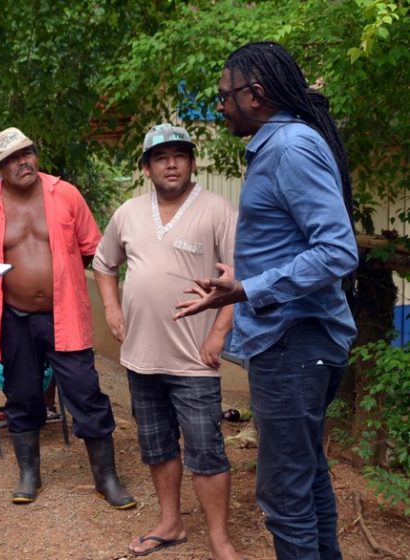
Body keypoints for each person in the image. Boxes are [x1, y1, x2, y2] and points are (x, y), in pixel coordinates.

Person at [174, 42, 358, 559]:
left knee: (283, 494)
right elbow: (299, 245)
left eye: (225, 96)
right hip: (298, 340)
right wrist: (247, 272)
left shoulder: (288, 148)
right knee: (307, 477)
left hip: (294, 345)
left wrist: (251, 287)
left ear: (255, 95)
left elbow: (337, 250)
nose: (220, 107)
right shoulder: (281, 145)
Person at [0, 126, 136, 508]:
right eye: (10, 160)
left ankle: (106, 478)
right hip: (13, 319)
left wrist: (115, 296)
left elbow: (96, 251)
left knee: (86, 393)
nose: (22, 162)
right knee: (21, 395)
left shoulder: (65, 194)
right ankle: (29, 474)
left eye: (27, 153)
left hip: (64, 314)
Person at [93, 124, 242, 558]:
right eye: (161, 157)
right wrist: (112, 309)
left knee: (206, 450)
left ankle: (219, 540)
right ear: (146, 167)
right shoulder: (128, 213)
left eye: (179, 155)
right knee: (156, 444)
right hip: (141, 356)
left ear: (192, 162)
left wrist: (218, 333)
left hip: (195, 357)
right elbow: (104, 265)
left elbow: (237, 278)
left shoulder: (218, 210)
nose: (171, 163)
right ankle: (171, 522)